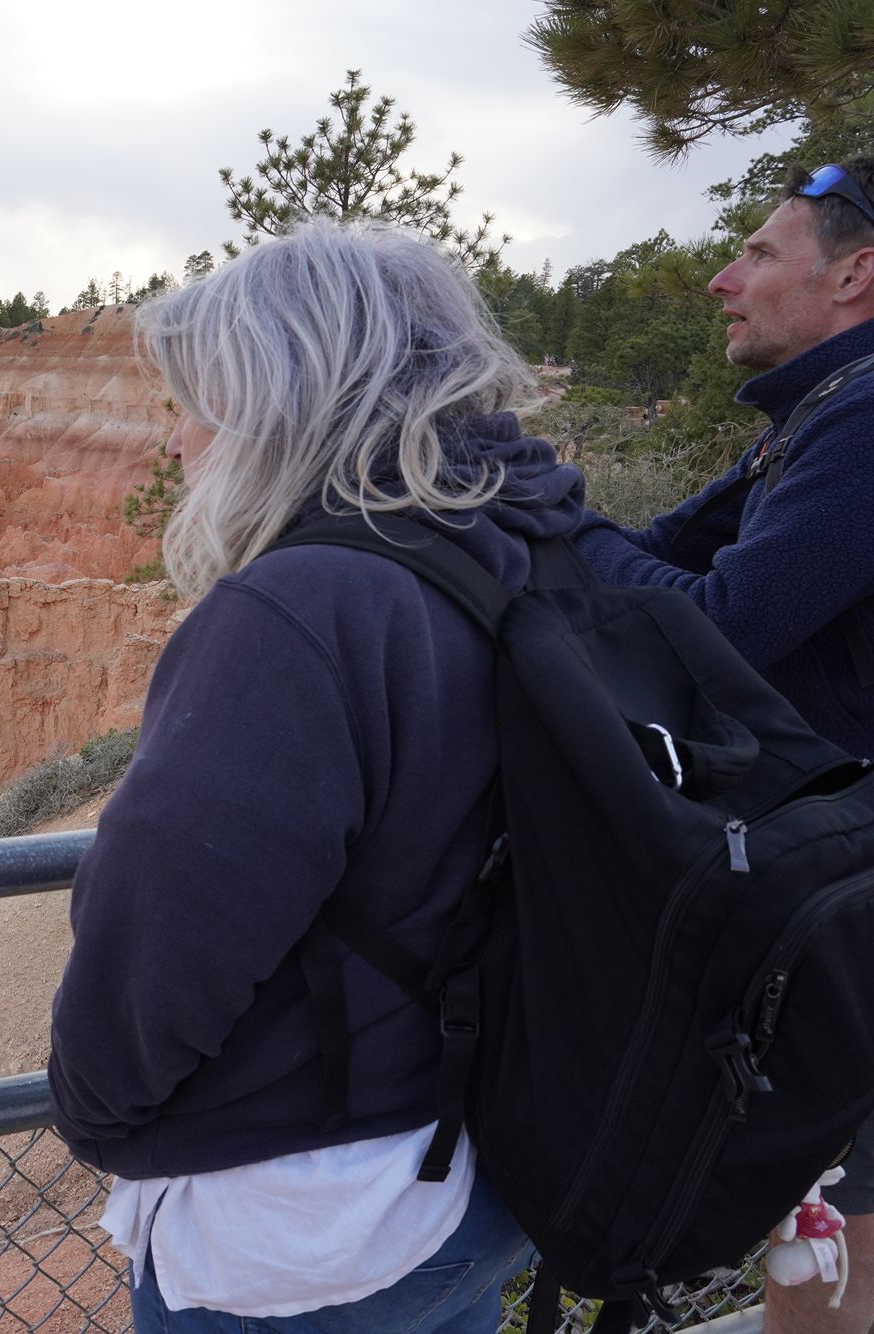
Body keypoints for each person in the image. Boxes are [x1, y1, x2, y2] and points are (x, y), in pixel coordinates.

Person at [48, 218, 584, 1331]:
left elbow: (163, 931)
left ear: (278, 405)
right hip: (483, 1174)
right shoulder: (511, 559)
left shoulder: (298, 611)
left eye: (199, 404)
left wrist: (94, 1115)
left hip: (308, 1227)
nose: (180, 441)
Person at [571, 157, 874, 1334]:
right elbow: (653, 551)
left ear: (851, 274)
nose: (718, 278)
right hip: (835, 891)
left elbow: (720, 621)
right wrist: (550, 514)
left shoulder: (861, 422)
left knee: (834, 1249)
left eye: (755, 252)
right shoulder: (814, 414)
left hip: (852, 902)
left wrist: (547, 516)